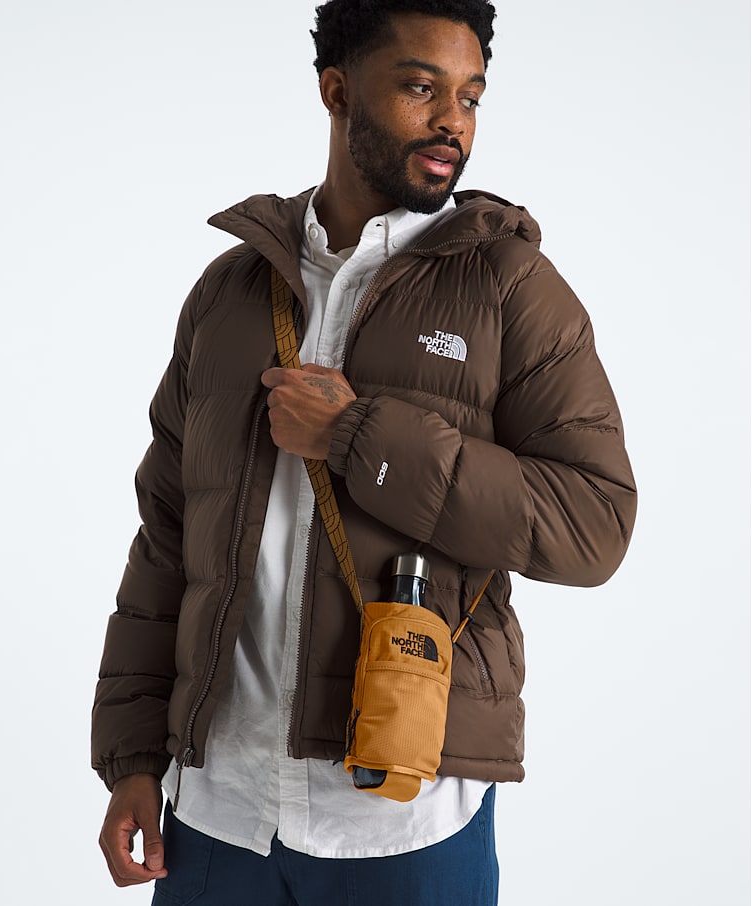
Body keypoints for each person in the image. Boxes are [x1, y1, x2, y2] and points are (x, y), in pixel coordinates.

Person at [92, 1, 637, 903]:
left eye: (470, 97)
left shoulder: (512, 289)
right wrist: (133, 758)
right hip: (216, 811)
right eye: (422, 88)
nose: (453, 121)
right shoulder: (230, 291)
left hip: (404, 814)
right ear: (336, 91)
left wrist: (359, 436)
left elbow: (595, 525)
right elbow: (165, 538)